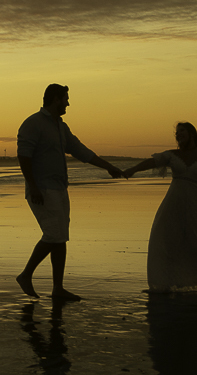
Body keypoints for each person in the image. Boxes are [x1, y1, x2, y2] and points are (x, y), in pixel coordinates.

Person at [16, 84, 123, 301]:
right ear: (55, 99)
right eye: (65, 99)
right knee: (54, 235)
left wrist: (108, 166)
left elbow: (81, 151)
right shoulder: (33, 123)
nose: (68, 103)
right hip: (42, 189)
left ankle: (58, 288)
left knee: (61, 237)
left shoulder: (60, 127)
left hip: (60, 188)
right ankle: (26, 275)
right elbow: (24, 156)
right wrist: (33, 186)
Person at [123, 122, 197, 294]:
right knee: (163, 239)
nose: (178, 135)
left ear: (192, 133)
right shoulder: (173, 155)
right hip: (173, 203)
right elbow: (152, 162)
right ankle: (163, 283)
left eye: (182, 131)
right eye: (176, 133)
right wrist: (132, 170)